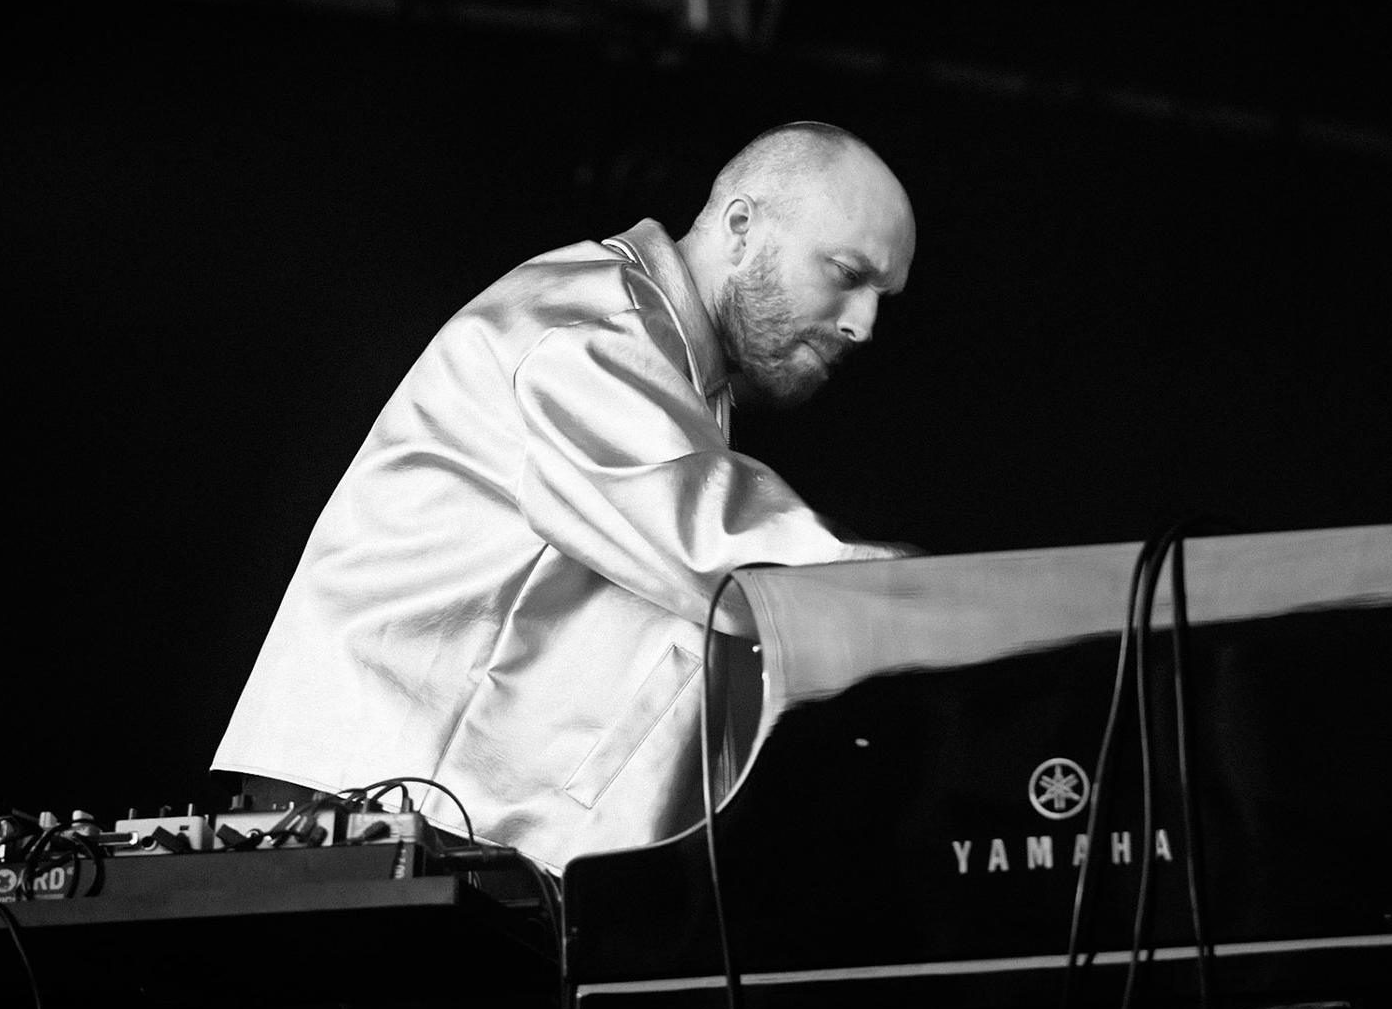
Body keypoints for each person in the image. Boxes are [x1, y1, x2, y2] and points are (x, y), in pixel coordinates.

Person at [212, 121, 917, 871]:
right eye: (847, 273)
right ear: (742, 226)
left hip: (425, 822)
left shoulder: (678, 369)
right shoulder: (588, 328)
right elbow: (718, 548)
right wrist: (940, 606)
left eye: (884, 295)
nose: (864, 324)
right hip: (362, 812)